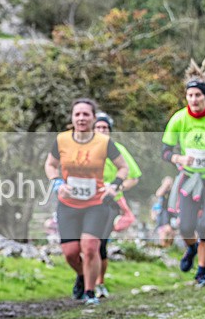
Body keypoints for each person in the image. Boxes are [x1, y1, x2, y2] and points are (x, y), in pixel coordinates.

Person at [44, 99, 129, 305]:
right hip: (68, 204)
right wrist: (57, 183)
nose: (81, 118)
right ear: (72, 118)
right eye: (77, 114)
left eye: (86, 114)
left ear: (93, 118)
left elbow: (123, 167)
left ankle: (90, 292)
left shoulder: (104, 142)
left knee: (90, 247)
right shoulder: (62, 140)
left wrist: (114, 185)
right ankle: (83, 276)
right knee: (71, 253)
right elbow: (50, 164)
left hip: (95, 203)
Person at [162, 58, 205, 286]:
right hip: (189, 177)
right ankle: (192, 248)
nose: (194, 99)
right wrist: (179, 158)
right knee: (186, 226)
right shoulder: (178, 119)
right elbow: (165, 152)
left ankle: (202, 272)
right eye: (190, 96)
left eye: (198, 95)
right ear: (186, 98)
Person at [93, 112, 141, 298]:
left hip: (110, 203)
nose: (102, 131)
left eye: (105, 128)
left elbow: (133, 178)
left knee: (100, 243)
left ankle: (100, 283)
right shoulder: (84, 149)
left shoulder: (117, 149)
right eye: (98, 127)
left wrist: (115, 187)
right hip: (87, 202)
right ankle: (85, 280)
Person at [152, 176, 175, 248]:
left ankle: (169, 247)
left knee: (171, 232)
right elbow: (158, 194)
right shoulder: (163, 192)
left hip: (172, 213)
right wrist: (165, 185)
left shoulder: (174, 191)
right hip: (164, 214)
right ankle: (163, 246)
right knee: (163, 231)